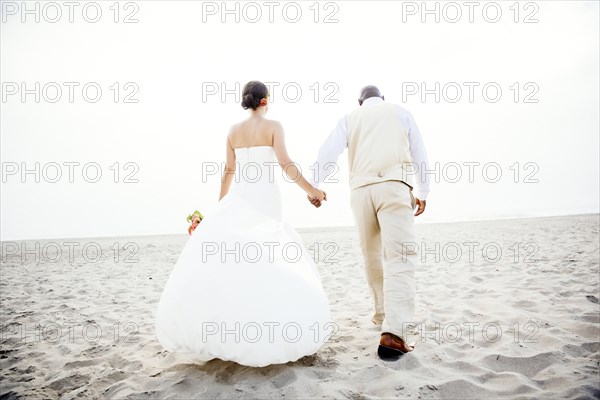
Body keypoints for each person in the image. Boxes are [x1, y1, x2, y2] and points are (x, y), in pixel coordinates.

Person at [155, 81, 332, 367]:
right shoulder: (274, 125)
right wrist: (312, 190)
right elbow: (286, 164)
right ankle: (268, 329)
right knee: (270, 260)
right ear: (265, 101)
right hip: (266, 198)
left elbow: (228, 171)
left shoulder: (232, 131)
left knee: (241, 263)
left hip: (238, 198)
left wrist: (219, 209)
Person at [308, 85, 430, 361]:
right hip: (393, 185)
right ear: (382, 99)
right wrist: (424, 191)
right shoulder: (399, 112)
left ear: (359, 102)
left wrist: (314, 185)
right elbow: (420, 152)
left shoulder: (349, 118)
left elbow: (328, 152)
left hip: (361, 192)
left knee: (371, 256)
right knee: (399, 258)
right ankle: (394, 333)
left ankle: (382, 315)